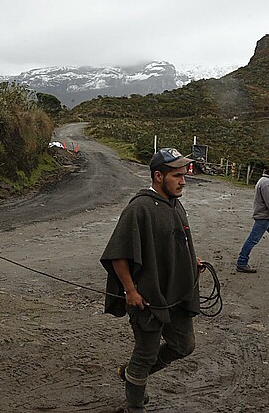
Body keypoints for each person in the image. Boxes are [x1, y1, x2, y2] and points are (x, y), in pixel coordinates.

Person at [100, 148, 203, 413]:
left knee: (184, 345)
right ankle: (134, 404)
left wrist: (192, 261)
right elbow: (118, 256)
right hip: (147, 298)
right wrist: (130, 291)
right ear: (158, 176)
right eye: (177, 176)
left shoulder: (175, 204)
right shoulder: (139, 208)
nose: (183, 181)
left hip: (175, 294)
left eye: (184, 175)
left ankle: (131, 374)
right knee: (145, 354)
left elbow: (174, 243)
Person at [236, 162, 269, 273]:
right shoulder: (267, 184)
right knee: (253, 240)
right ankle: (241, 262)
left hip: (268, 217)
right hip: (264, 217)